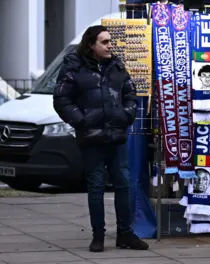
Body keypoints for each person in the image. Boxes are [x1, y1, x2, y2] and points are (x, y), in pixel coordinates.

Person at [53, 26, 148, 253]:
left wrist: (127, 115)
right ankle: (98, 236)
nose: (109, 46)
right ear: (91, 45)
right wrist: (82, 120)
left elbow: (130, 94)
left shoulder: (117, 66)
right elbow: (61, 99)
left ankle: (125, 234)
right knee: (96, 187)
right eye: (104, 42)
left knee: (124, 184)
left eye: (110, 42)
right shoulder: (73, 67)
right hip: (92, 138)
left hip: (116, 137)